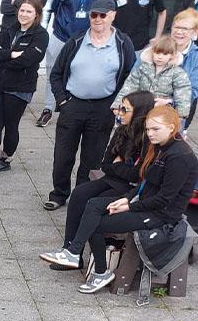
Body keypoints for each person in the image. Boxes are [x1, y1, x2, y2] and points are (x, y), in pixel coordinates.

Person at [45, 106, 198, 293]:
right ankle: (73, 252)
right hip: (145, 203)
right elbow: (145, 182)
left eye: (155, 129)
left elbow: (164, 199)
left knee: (96, 225)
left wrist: (130, 207)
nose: (150, 133)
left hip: (160, 215)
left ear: (172, 127)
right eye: (148, 129)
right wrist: (127, 199)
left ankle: (99, 271)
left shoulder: (179, 157)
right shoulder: (160, 146)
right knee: (93, 205)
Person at [39, 90, 153, 270]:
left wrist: (118, 165)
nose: (119, 112)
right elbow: (105, 163)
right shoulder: (122, 130)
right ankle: (69, 251)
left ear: (139, 112)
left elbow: (138, 175)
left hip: (128, 189)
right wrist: (121, 167)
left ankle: (75, 252)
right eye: (120, 108)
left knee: (93, 203)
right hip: (111, 180)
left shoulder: (147, 139)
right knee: (79, 193)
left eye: (125, 109)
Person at [47, 0, 134, 210]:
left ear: (113, 16)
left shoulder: (123, 43)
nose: (97, 19)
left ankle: (81, 196)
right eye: (94, 15)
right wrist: (62, 100)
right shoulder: (76, 40)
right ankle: (59, 194)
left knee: (92, 158)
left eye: (103, 15)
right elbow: (56, 73)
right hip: (73, 105)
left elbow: (130, 77)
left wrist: (116, 104)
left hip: (103, 108)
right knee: (63, 155)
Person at [0, 0, 49, 183]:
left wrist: (4, 60)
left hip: (20, 88)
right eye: (22, 10)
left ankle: (5, 158)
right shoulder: (10, 29)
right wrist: (11, 54)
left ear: (36, 14)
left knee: (11, 126)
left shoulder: (41, 35)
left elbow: (28, 60)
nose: (24, 14)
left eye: (29, 11)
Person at [39, 0, 109, 127]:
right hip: (60, 37)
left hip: (84, 40)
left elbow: (106, 14)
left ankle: (70, 108)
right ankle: (48, 109)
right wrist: (43, 32)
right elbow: (49, 7)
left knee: (79, 73)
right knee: (52, 73)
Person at [115, 36, 192, 119]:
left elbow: (183, 92)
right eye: (157, 53)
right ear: (152, 52)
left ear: (172, 55)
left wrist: (181, 114)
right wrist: (118, 105)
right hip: (140, 109)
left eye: (165, 54)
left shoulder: (177, 73)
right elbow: (129, 86)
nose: (160, 57)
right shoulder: (142, 68)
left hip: (162, 112)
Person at [169, 9, 198, 132]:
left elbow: (193, 90)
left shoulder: (196, 57)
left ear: (195, 32)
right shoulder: (157, 48)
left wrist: (168, 100)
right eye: (177, 27)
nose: (179, 32)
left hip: (177, 115)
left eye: (185, 29)